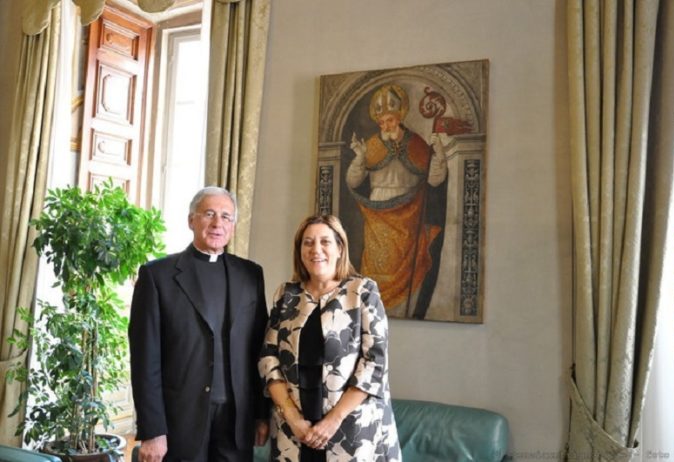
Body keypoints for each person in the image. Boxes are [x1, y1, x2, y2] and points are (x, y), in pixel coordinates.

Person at [129, 186, 269, 462]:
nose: (218, 223)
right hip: (180, 420)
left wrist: (261, 414)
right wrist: (153, 430)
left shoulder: (251, 275)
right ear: (191, 220)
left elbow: (259, 349)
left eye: (226, 217)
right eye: (209, 214)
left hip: (236, 421)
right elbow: (145, 359)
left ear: (233, 226)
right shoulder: (157, 276)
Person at [258, 215, 402, 462]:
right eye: (308, 242)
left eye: (325, 241)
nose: (316, 250)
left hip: (352, 433)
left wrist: (332, 421)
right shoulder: (286, 295)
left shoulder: (362, 291)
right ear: (300, 250)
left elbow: (374, 363)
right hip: (294, 434)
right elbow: (268, 359)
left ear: (340, 248)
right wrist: (292, 418)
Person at [346, 83, 448, 319]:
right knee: (376, 264)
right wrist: (360, 158)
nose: (386, 125)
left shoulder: (417, 144)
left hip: (409, 213)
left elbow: (434, 179)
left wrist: (439, 154)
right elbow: (353, 180)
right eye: (382, 122)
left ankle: (402, 313)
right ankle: (371, 313)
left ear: (400, 116)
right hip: (377, 216)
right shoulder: (372, 144)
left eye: (390, 120)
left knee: (406, 267)